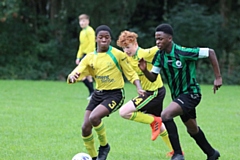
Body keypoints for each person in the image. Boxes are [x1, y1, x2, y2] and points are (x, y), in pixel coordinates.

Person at [138, 23, 222, 160]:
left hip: (191, 93)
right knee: (192, 129)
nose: (158, 42)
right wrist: (144, 70)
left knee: (165, 115)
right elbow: (153, 78)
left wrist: (218, 77)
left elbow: (210, 52)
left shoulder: (183, 52)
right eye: (156, 39)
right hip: (178, 96)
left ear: (169, 39)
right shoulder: (160, 56)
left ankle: (177, 154)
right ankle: (212, 154)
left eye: (161, 39)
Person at [67, 25, 145, 160]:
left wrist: (138, 87)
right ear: (96, 39)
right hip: (98, 94)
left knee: (94, 118)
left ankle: (104, 146)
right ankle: (93, 157)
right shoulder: (90, 57)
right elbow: (78, 70)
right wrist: (72, 77)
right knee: (85, 127)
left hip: (115, 94)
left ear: (110, 40)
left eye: (107, 37)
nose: (104, 39)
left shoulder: (118, 55)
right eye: (101, 37)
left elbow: (131, 73)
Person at [116, 30, 174, 156]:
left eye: (128, 47)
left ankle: (153, 121)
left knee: (124, 112)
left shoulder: (144, 53)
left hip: (154, 93)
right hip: (150, 92)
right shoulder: (126, 58)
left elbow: (160, 47)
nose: (126, 50)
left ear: (135, 43)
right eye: (123, 48)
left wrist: (181, 50)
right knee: (161, 125)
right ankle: (174, 150)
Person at [76, 14, 95, 100]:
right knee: (88, 76)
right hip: (84, 55)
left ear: (88, 21)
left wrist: (89, 55)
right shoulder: (82, 32)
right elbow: (81, 45)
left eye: (83, 21)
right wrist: (78, 57)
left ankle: (93, 92)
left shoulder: (90, 31)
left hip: (89, 55)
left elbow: (92, 43)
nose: (81, 23)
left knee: (81, 75)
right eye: (80, 21)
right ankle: (92, 93)